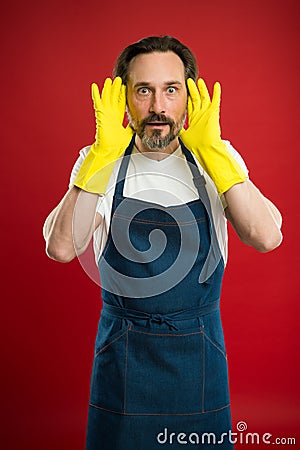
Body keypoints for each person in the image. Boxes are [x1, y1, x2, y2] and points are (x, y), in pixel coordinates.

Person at [43, 36, 282, 449]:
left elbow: (265, 236)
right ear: (124, 99)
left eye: (171, 90)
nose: (158, 106)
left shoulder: (216, 159)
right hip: (124, 358)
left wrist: (215, 155)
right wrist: (99, 160)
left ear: (188, 98)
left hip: (199, 358)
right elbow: (62, 247)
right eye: (143, 91)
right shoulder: (100, 161)